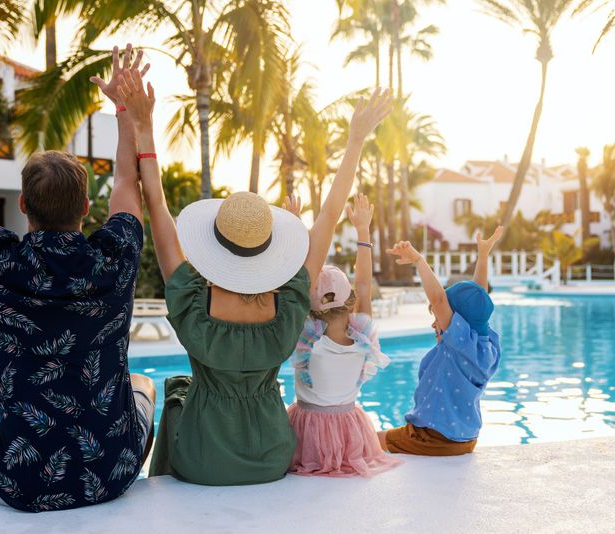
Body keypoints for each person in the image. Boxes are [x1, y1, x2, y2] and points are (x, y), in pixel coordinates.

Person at [0, 41, 156, 512]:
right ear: (85, 208)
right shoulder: (114, 257)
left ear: (22, 206)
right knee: (144, 383)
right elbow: (127, 183)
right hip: (112, 472)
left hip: (15, 481)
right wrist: (124, 109)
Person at [114, 67, 392, 485]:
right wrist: (355, 140)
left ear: (215, 245)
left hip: (202, 460)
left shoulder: (193, 299)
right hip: (271, 457)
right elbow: (331, 215)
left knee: (177, 392)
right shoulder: (290, 302)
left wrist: (143, 127)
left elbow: (156, 205)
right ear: (268, 250)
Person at [285, 193, 402, 477]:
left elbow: (301, 275)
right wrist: (363, 230)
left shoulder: (306, 338)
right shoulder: (362, 336)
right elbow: (364, 284)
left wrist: (296, 226)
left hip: (308, 431)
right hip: (351, 428)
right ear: (349, 299)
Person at [378, 227, 504, 456]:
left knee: (369, 439)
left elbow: (437, 298)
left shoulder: (458, 342)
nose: (435, 324)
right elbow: (479, 296)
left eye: (438, 318)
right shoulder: (486, 346)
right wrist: (483, 255)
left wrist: (419, 260)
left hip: (434, 437)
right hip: (466, 438)